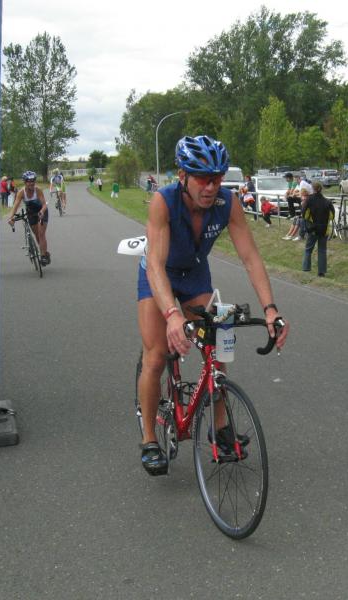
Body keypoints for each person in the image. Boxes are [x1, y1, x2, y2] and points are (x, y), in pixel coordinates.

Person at [136, 135, 289, 475]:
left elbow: (250, 258)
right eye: (203, 179)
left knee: (220, 341)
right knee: (156, 355)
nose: (211, 187)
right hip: (158, 272)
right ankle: (149, 438)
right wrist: (172, 315)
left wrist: (270, 309)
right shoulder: (163, 202)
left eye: (217, 179)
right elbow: (156, 265)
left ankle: (220, 428)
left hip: (194, 275)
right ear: (183, 176)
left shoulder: (227, 203)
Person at [7, 171, 51, 265]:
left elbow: (44, 204)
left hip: (41, 212)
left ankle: (43, 256)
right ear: (25, 182)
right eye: (29, 181)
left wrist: (42, 212)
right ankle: (45, 252)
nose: (31, 183)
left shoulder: (38, 190)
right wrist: (11, 218)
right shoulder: (21, 193)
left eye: (33, 181)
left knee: (41, 233)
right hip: (31, 213)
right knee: (37, 235)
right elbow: (15, 206)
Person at [301, 181, 334, 277]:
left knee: (308, 249)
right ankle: (321, 272)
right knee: (322, 250)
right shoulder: (327, 202)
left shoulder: (308, 200)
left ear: (312, 189)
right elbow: (331, 216)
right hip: (324, 229)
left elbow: (304, 215)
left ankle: (306, 269)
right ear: (321, 189)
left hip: (312, 229)